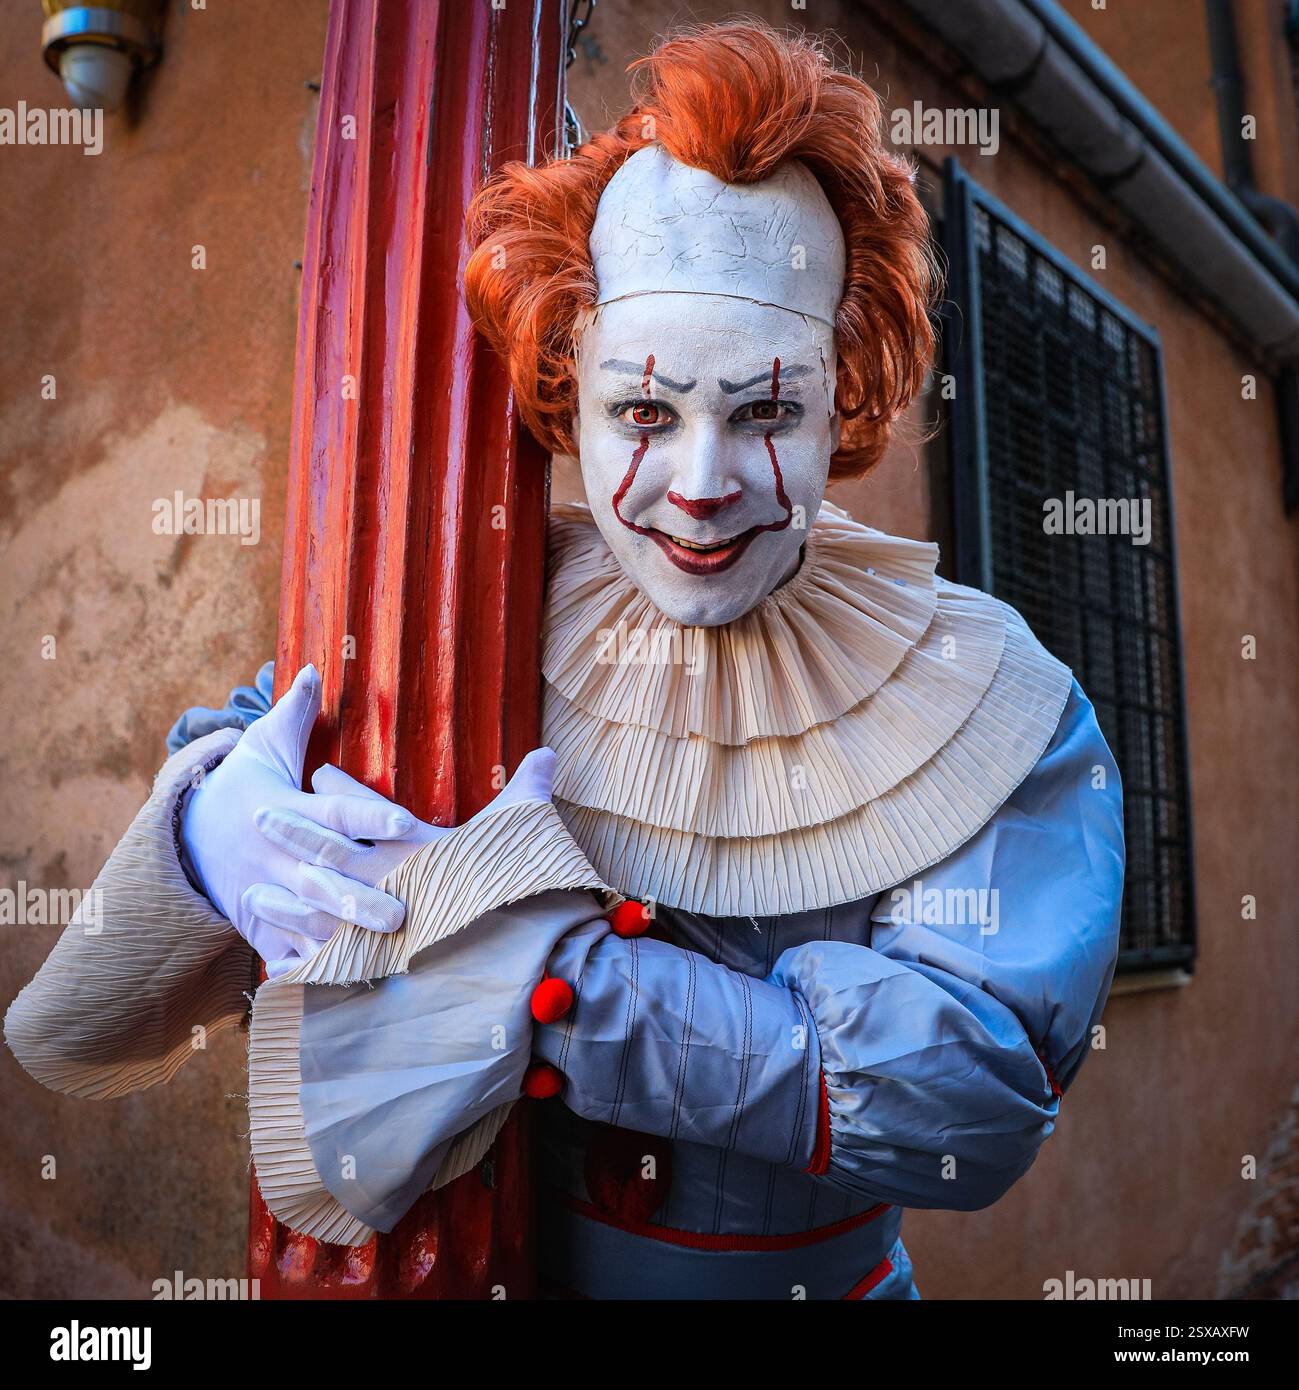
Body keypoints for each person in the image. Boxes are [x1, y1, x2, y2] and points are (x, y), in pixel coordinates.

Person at [5, 21, 1123, 1300]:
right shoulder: (479, 594)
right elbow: (265, 762)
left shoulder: (990, 696)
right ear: (567, 392)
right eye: (643, 411)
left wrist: (562, 984)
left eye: (767, 410)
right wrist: (215, 824)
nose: (700, 488)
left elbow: (968, 1099)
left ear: (843, 399)